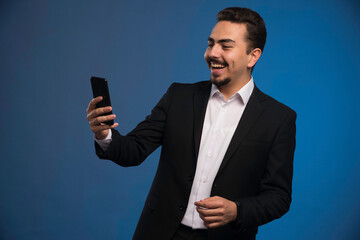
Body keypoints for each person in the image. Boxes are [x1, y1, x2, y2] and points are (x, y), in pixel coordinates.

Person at [86, 7, 296, 240]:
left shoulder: (278, 119)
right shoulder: (179, 97)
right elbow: (132, 151)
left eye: (226, 46)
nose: (212, 53)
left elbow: (278, 197)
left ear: (253, 56)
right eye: (210, 44)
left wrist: (237, 210)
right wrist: (103, 133)